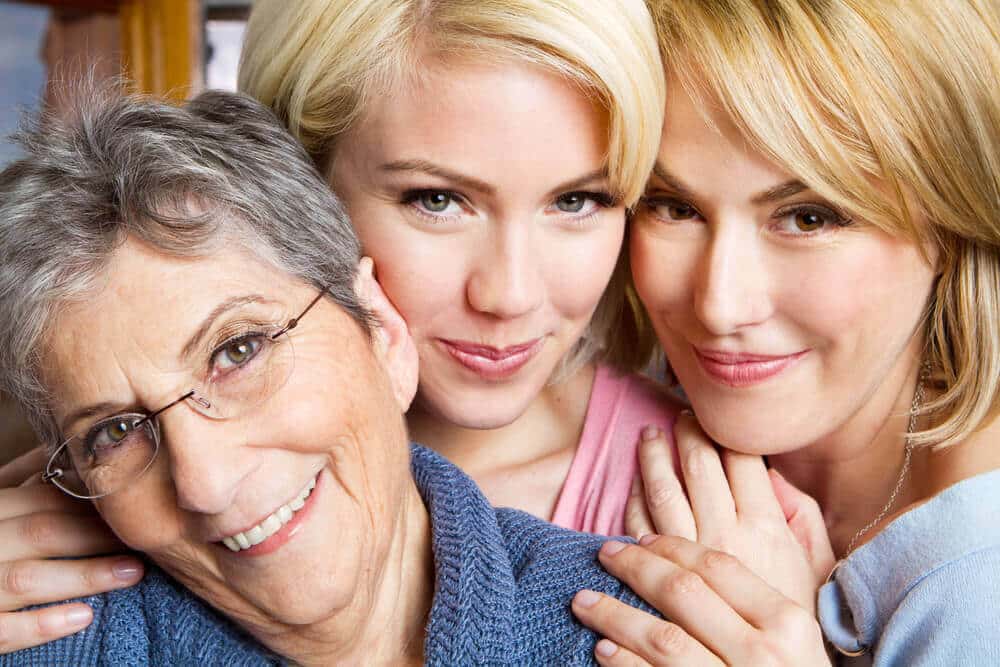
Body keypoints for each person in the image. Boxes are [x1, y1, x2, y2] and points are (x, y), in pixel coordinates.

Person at [0, 0, 680, 651]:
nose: (510, 293)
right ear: (302, 176)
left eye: (577, 199)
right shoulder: (97, 481)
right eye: (437, 200)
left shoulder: (708, 507)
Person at [568, 0, 1000, 663]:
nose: (719, 303)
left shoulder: (978, 587)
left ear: (950, 217)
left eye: (807, 218)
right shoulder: (620, 406)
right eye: (674, 206)